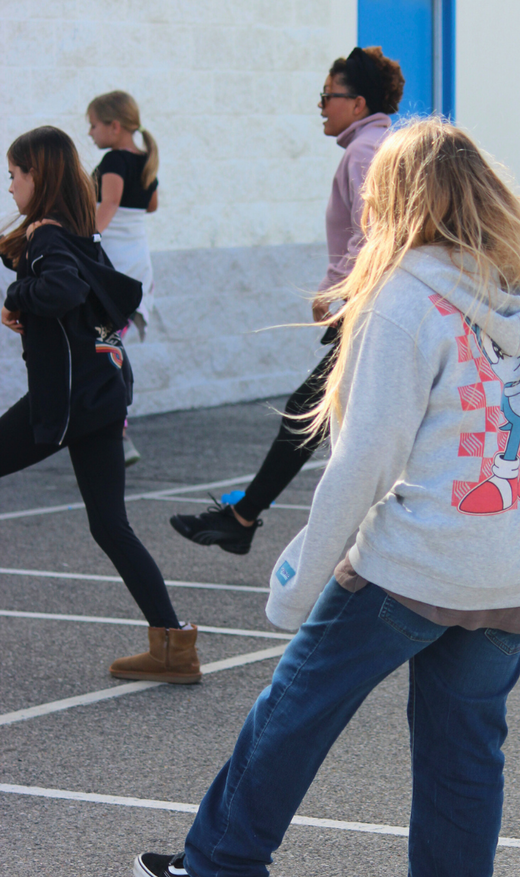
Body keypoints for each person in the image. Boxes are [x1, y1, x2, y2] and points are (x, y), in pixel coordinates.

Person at [132, 118, 520, 877]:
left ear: (394, 201)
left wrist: (302, 577)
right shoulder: (518, 292)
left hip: (418, 562)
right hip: (515, 565)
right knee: (465, 763)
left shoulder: (402, 299)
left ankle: (224, 866)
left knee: (295, 706)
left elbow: (365, 456)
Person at [169, 46, 404, 554]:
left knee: (313, 415)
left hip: (370, 308)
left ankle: (248, 519)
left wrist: (339, 293)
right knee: (324, 418)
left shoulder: (365, 151)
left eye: (328, 96)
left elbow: (376, 233)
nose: (320, 105)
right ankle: (245, 517)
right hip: (378, 307)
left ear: (358, 103)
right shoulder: (379, 145)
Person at [0, 126, 200, 684]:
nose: (9, 186)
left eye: (14, 175)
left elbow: (59, 291)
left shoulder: (46, 237)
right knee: (110, 526)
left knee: (110, 524)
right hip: (103, 395)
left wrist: (15, 297)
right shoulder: (78, 233)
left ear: (38, 176)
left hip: (68, 401)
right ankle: (173, 646)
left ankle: (172, 646)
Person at [87, 90, 160, 467]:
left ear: (114, 127)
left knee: (105, 346)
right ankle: (111, 427)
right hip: (138, 265)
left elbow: (109, 204)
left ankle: (118, 430)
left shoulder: (113, 159)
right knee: (110, 343)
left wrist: (86, 241)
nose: (90, 133)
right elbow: (151, 205)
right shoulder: (145, 157)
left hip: (114, 264)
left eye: (94, 125)